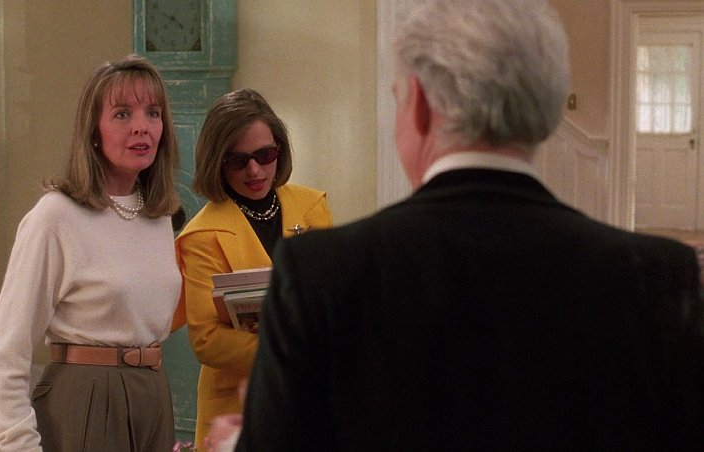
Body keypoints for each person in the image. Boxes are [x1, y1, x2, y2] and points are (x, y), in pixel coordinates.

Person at [236, 1, 704, 450]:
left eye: (398, 99)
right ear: (545, 110)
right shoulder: (659, 276)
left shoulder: (321, 273)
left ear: (419, 105)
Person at [0, 54, 185, 452]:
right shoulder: (55, 217)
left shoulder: (158, 214)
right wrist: (18, 443)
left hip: (153, 395)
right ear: (93, 130)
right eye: (123, 114)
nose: (142, 127)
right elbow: (6, 351)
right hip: (86, 399)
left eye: (153, 113)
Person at [175, 88, 333, 449]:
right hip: (234, 406)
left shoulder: (312, 207)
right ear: (217, 162)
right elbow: (206, 340)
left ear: (280, 149)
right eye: (238, 160)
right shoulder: (202, 234)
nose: (255, 170)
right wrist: (287, 347)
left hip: (309, 396)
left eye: (265, 155)